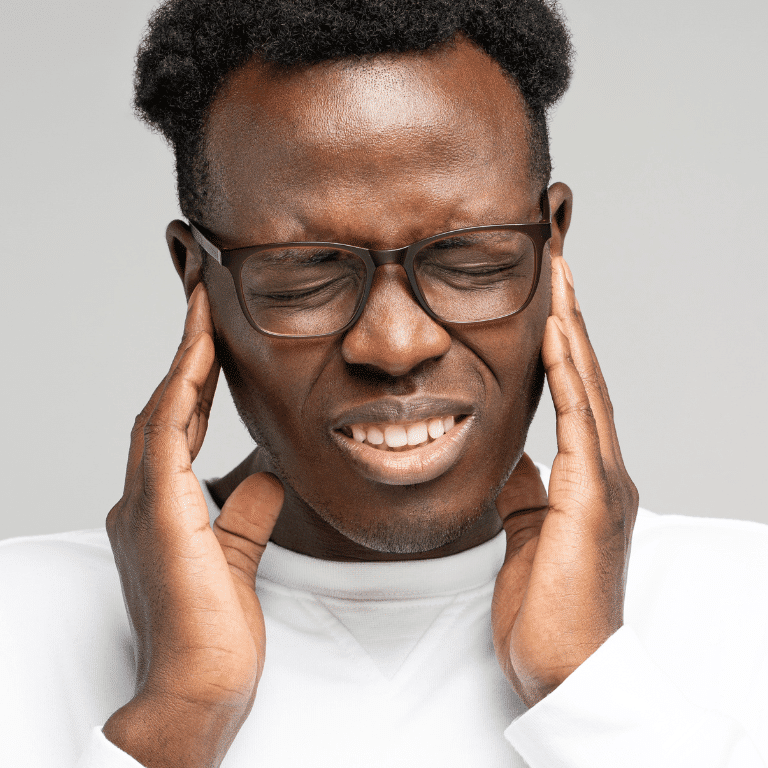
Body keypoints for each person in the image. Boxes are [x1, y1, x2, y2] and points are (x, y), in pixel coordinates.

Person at [1, 1, 766, 766]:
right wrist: (178, 715)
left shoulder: (742, 605)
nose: (396, 345)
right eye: (306, 274)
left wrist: (594, 692)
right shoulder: (22, 626)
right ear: (195, 275)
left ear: (554, 245)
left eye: (471, 259)